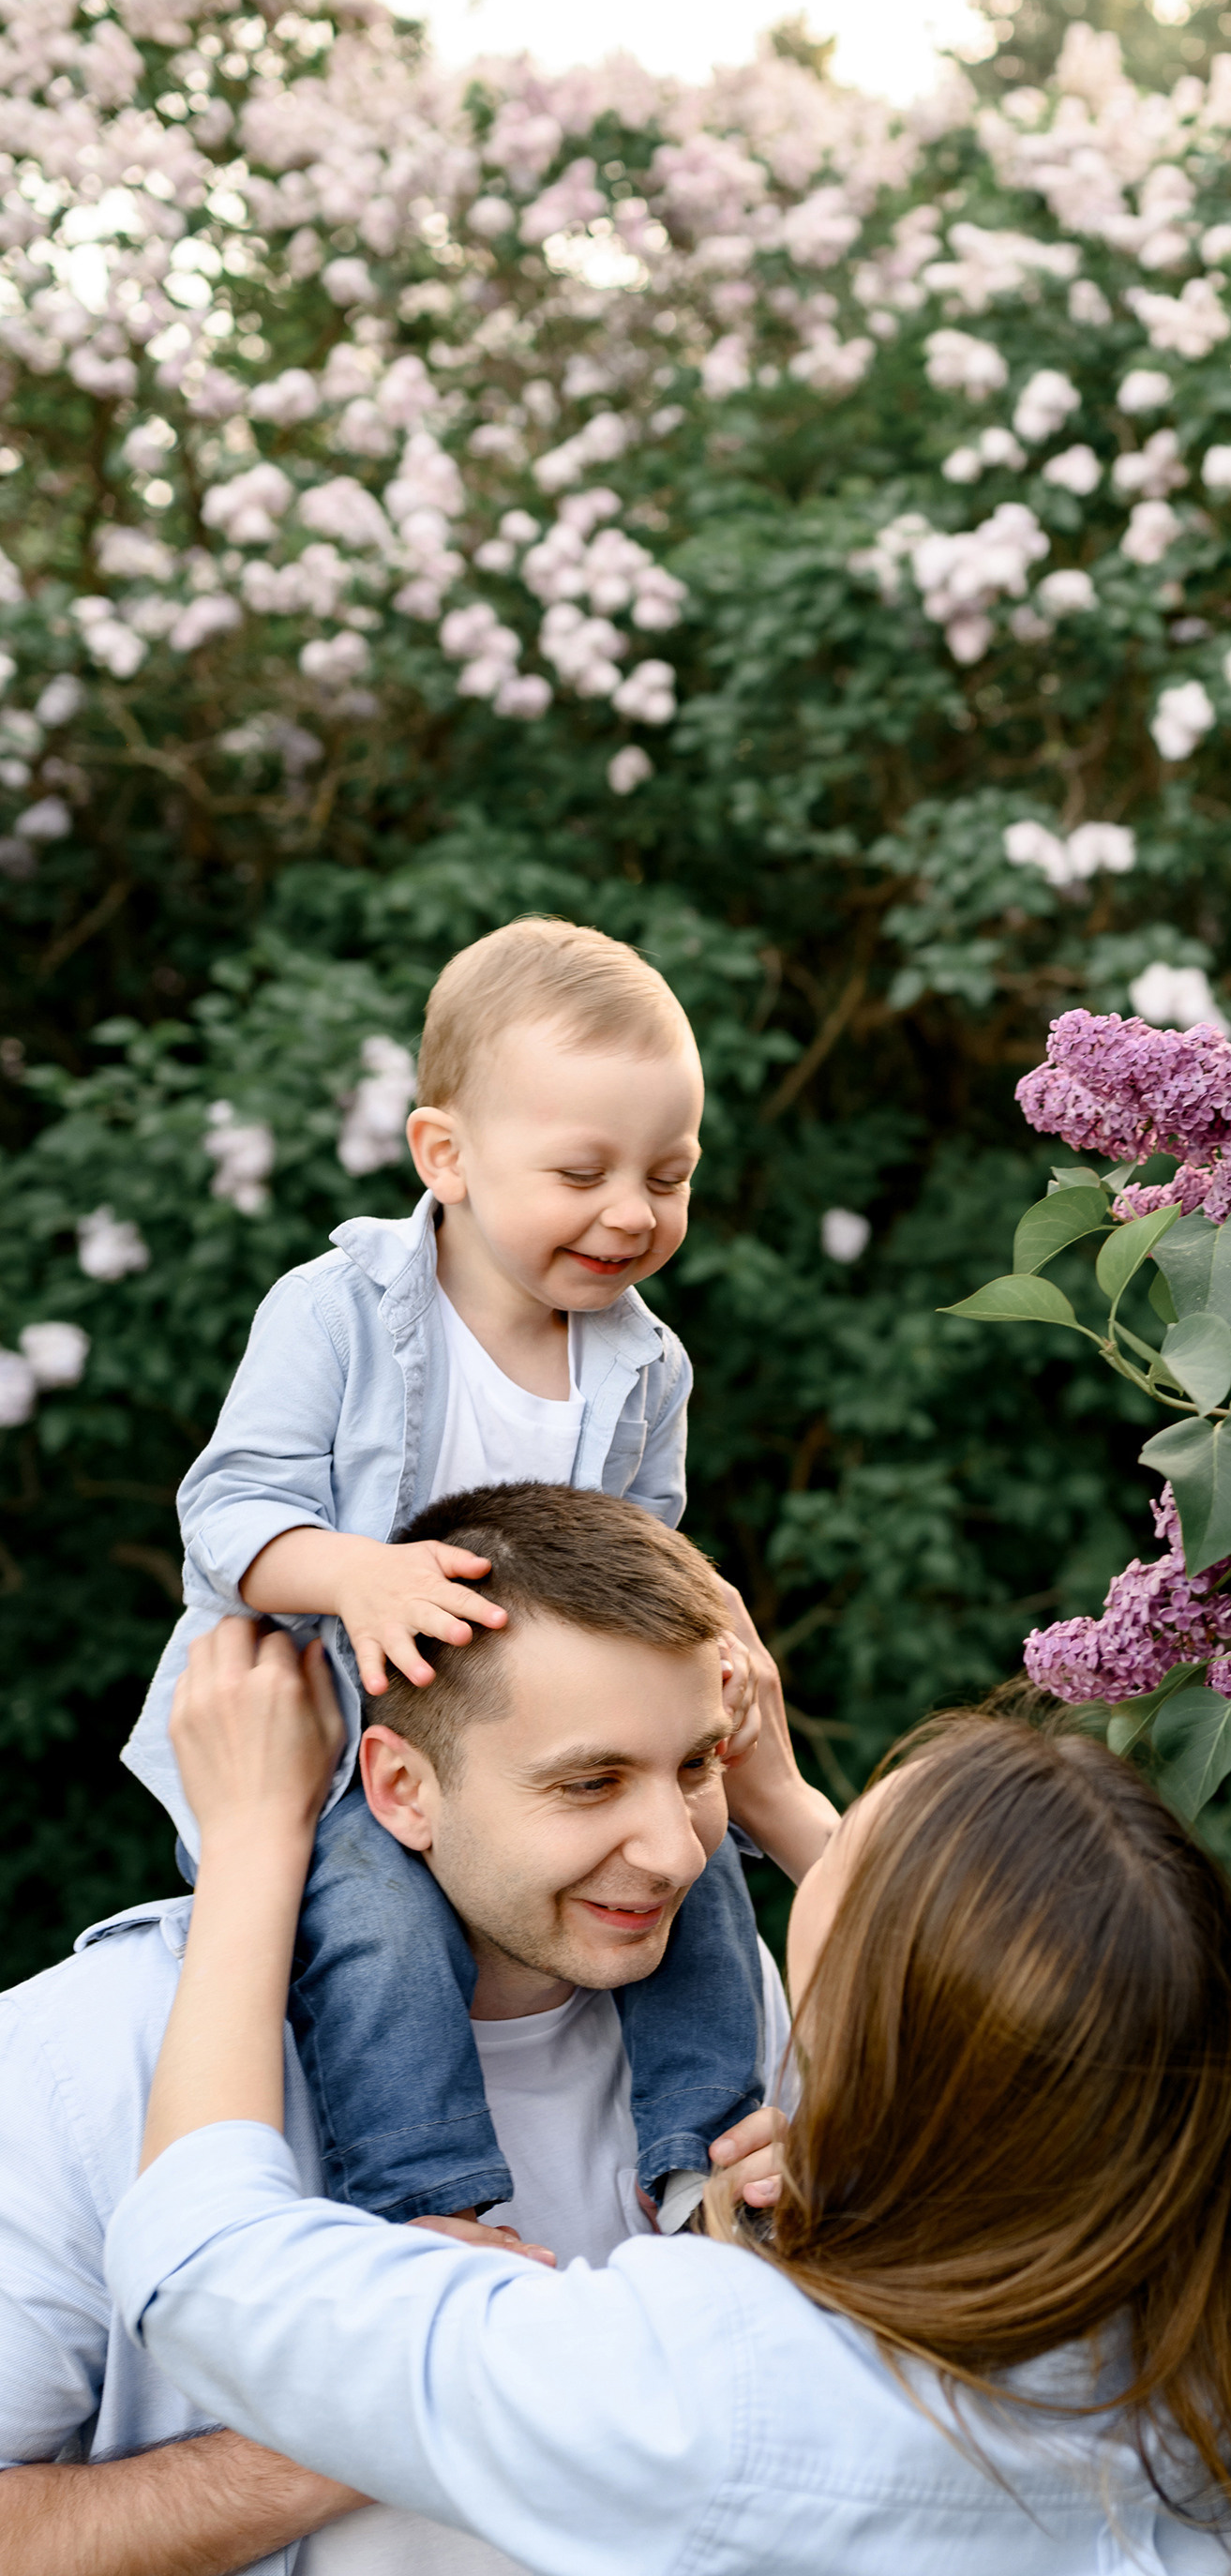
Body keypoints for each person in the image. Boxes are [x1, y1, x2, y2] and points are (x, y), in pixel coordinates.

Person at [105, 1614, 1231, 2576]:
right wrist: (786, 1826)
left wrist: (253, 1845)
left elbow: (201, 2263)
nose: (704, 1851)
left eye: (833, 1851)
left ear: (872, 2032)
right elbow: (1047, 2047)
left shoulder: (721, 2385)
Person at [0, 1484, 833, 2576]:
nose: (670, 1850)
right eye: (590, 1783)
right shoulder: (96, 2053)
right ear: (400, 1788)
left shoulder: (733, 2027)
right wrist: (401, 2393)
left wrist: (827, 2300)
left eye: (695, 1767)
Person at [122, 911, 808, 2230]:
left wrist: (701, 1651)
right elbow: (227, 1509)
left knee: (703, 1877)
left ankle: (704, 2159)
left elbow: (641, 1551)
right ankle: (426, 2203)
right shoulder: (339, 1311)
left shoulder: (645, 1363)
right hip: (339, 1750)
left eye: (669, 1176)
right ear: (446, 1155)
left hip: (548, 1741)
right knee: (379, 1927)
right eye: (582, 1172)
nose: (631, 1212)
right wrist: (352, 1575)